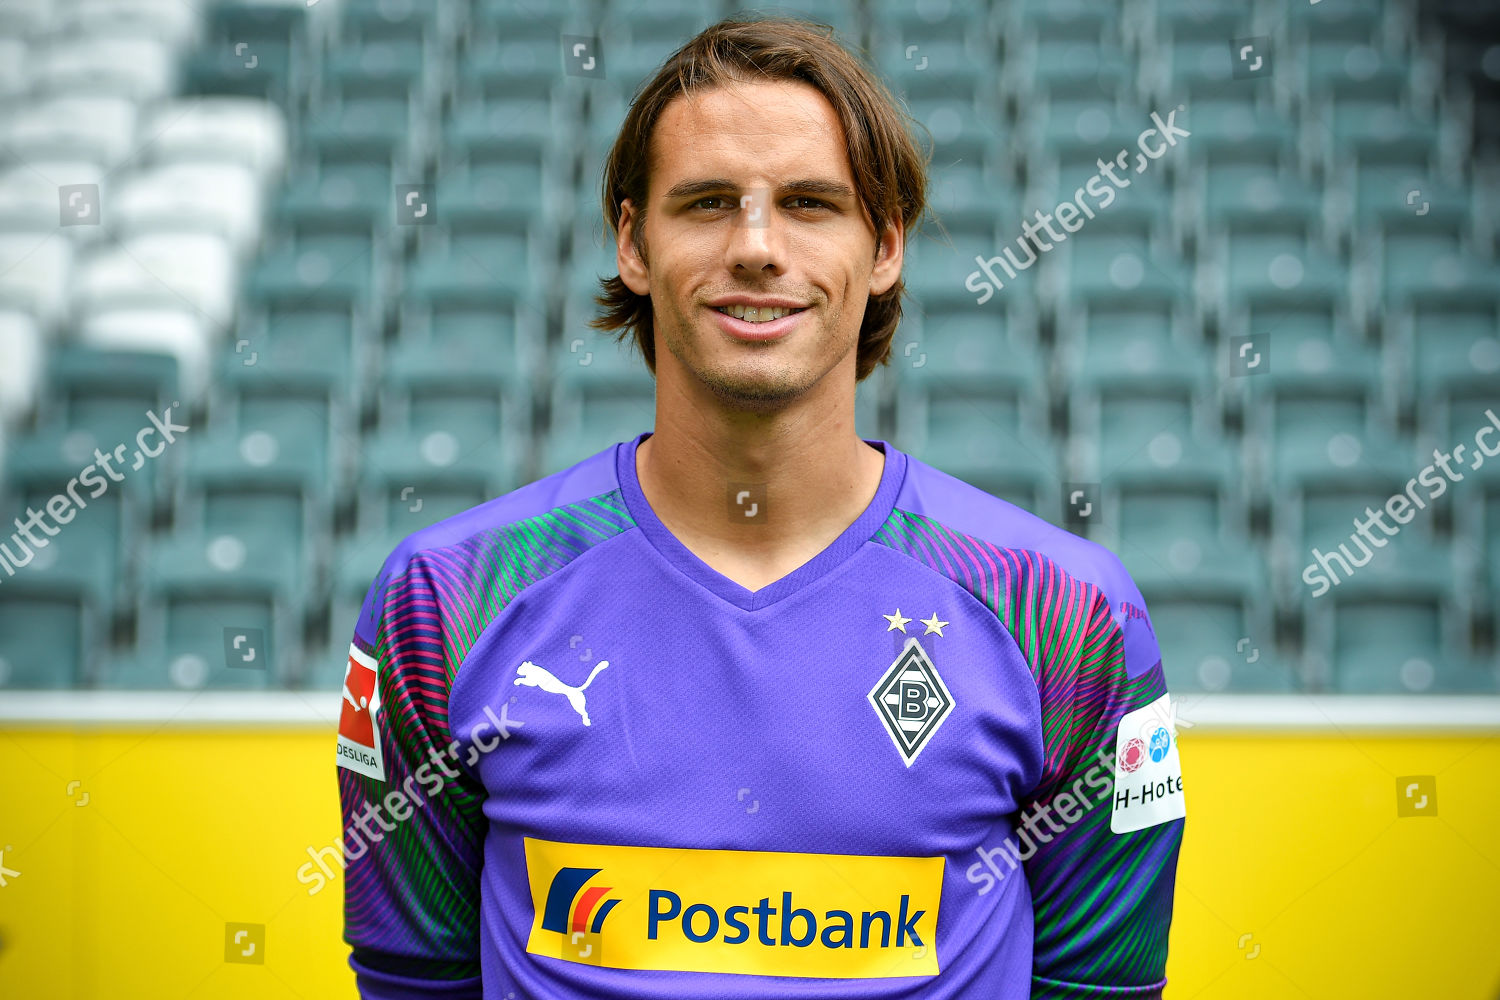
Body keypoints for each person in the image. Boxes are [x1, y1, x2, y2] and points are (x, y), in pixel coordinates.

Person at [335, 15, 1184, 999]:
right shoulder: (446, 598)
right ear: (632, 242)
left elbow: (1103, 986)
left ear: (884, 248)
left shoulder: (1064, 611)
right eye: (705, 203)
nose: (755, 247)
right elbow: (413, 976)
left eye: (812, 204)